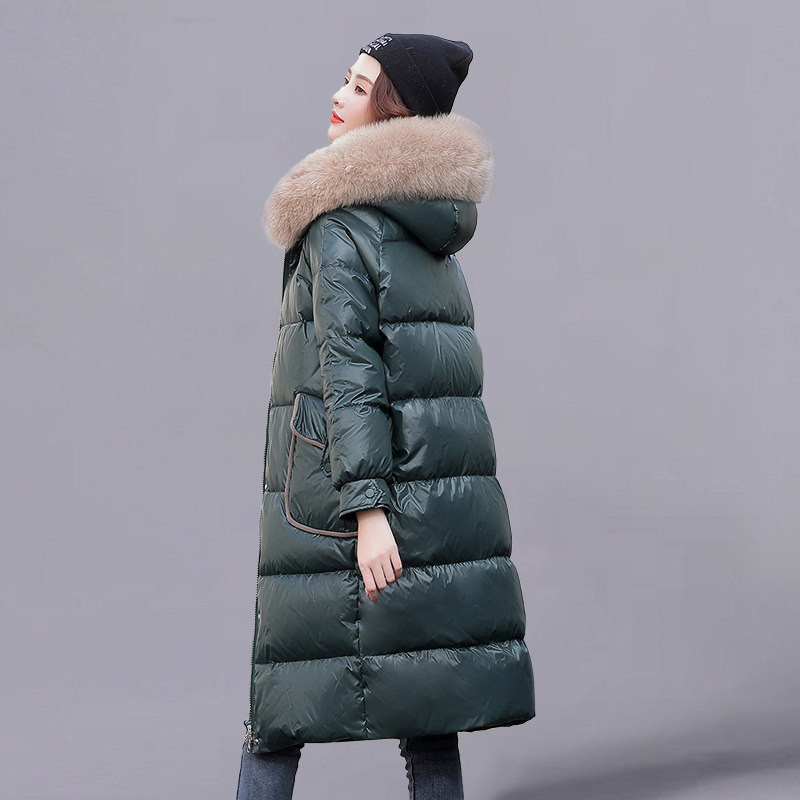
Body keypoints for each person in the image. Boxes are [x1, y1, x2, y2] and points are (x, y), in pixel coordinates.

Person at [236, 33, 535, 800]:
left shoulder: (339, 223)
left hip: (344, 501)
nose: (339, 95)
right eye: (345, 79)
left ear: (395, 110)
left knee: (280, 707)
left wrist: (367, 509)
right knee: (427, 701)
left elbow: (350, 372)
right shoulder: (431, 228)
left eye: (361, 86)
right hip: (434, 497)